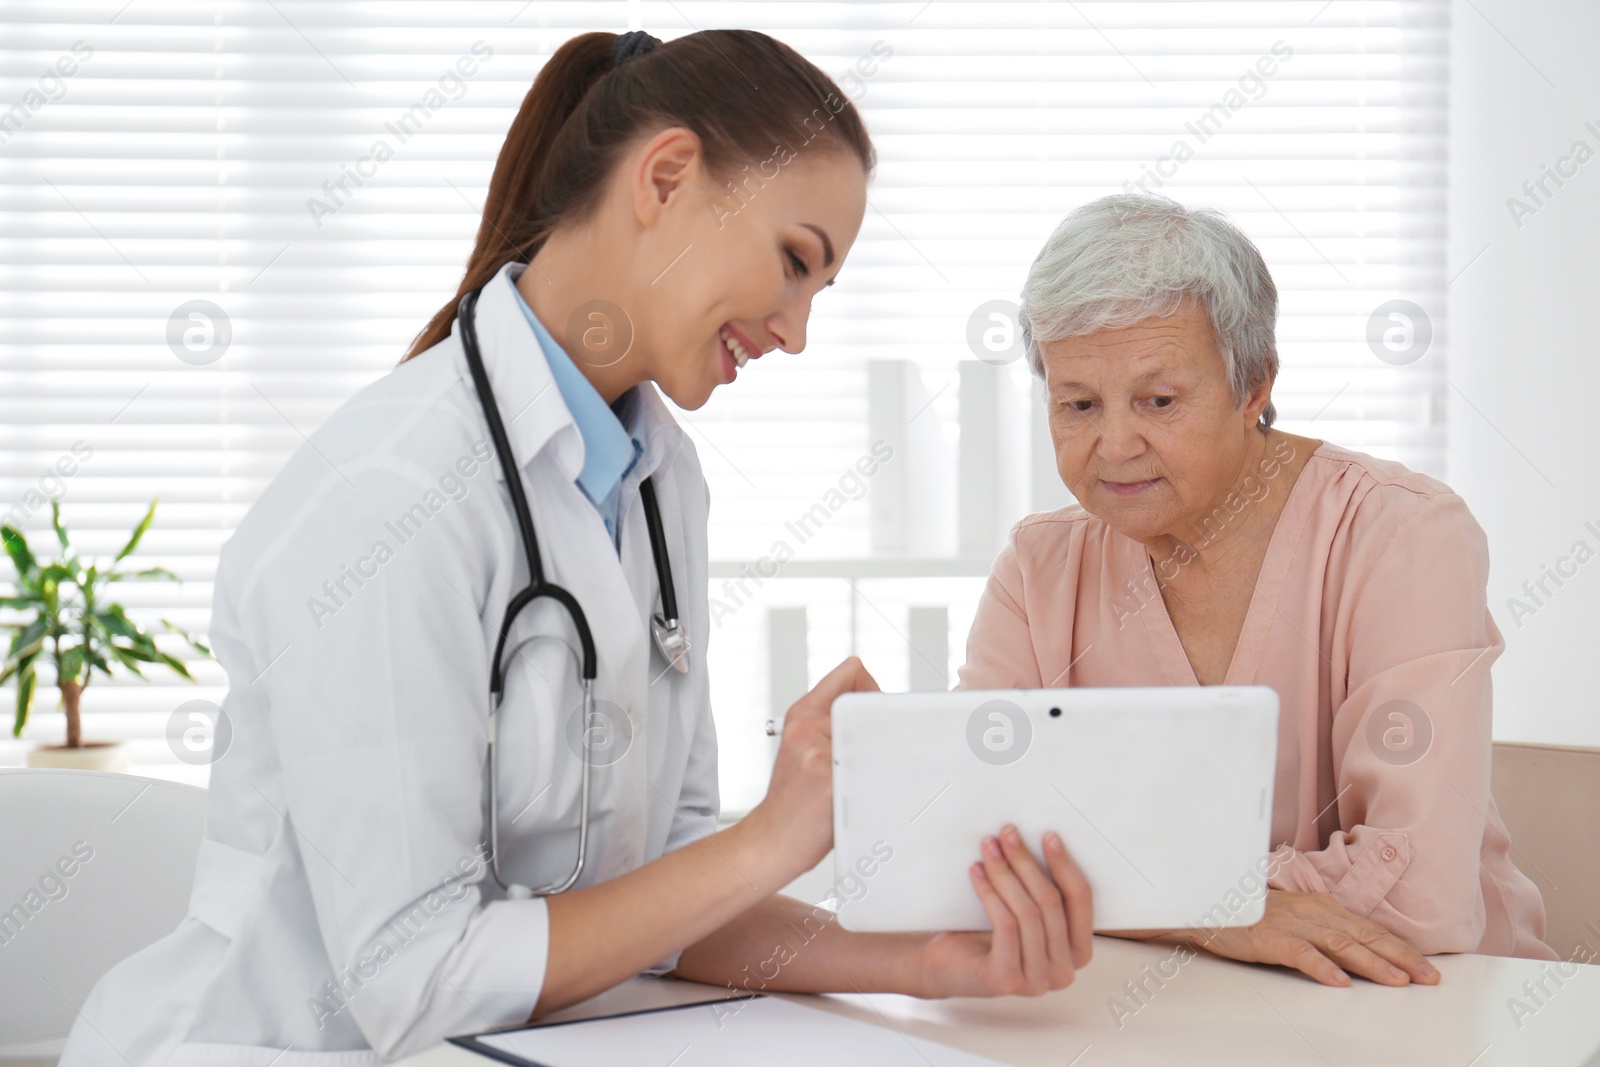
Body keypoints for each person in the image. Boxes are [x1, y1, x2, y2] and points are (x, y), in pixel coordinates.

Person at [60, 29, 1094, 1067]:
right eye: (793, 262)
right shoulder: (389, 495)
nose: (795, 331)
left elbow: (678, 891)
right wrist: (776, 833)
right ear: (667, 175)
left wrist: (928, 959)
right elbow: (411, 984)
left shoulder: (658, 478)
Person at [956, 192, 1557, 988]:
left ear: (1253, 386)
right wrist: (1211, 907)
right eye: (1077, 404)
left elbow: (1420, 899)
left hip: (1433, 1013)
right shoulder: (1040, 565)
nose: (1113, 444)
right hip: (1159, 1010)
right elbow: (973, 845)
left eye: (1158, 400)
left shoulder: (1404, 534)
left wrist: (1120, 883)